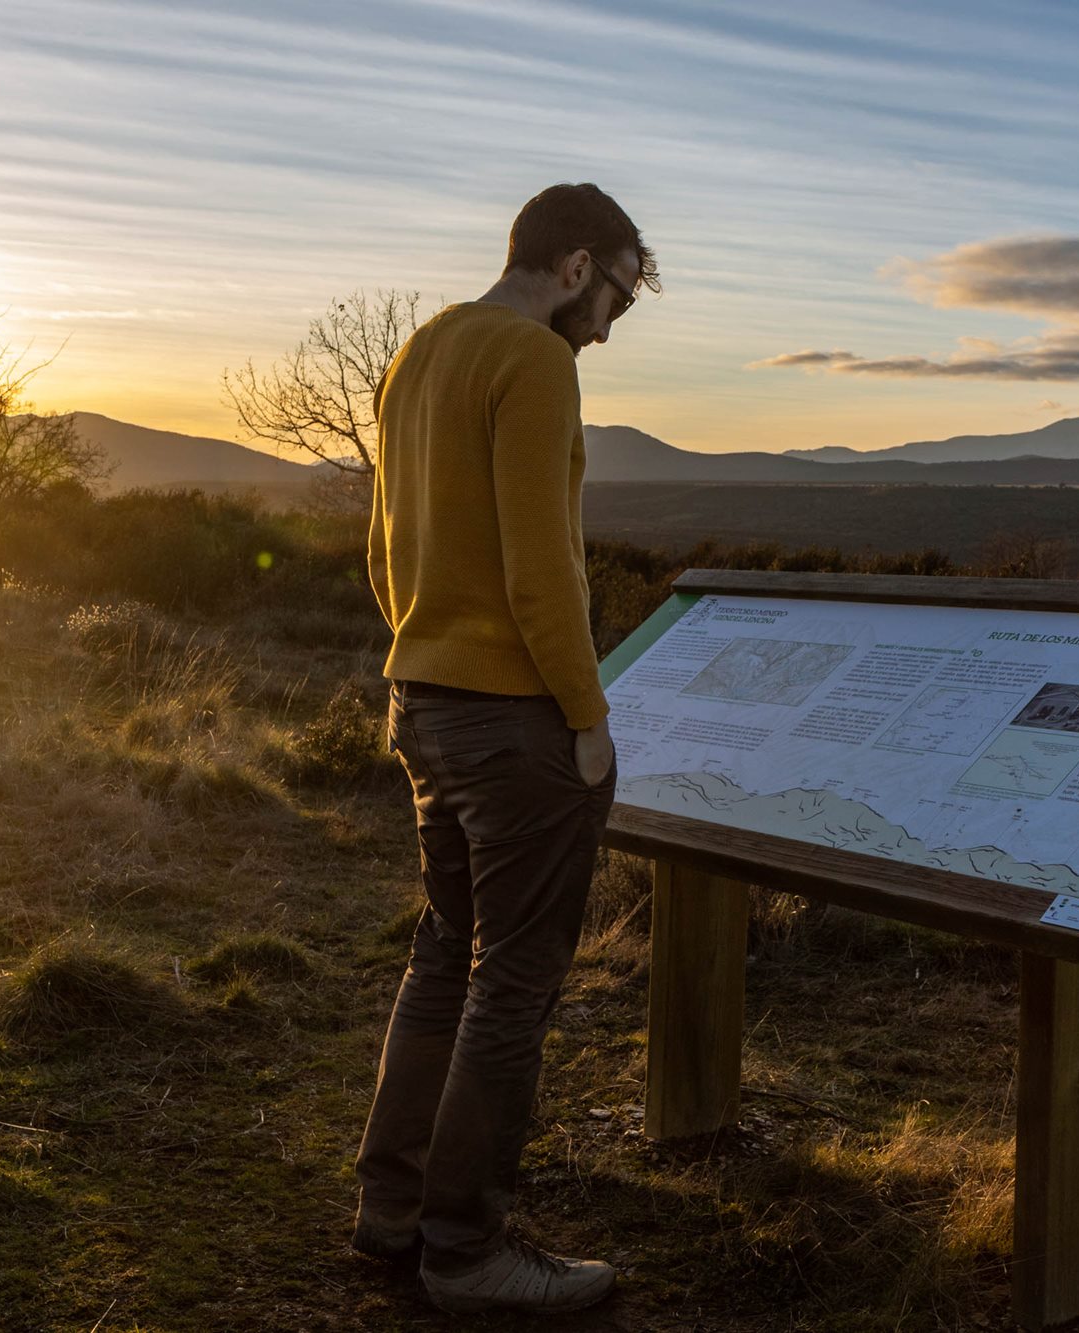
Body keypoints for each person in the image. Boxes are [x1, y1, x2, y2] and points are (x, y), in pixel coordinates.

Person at [351, 182, 657, 1314]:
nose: (609, 326)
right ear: (576, 267)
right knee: (513, 982)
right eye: (617, 295)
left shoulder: (421, 350)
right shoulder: (534, 359)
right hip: (513, 718)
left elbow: (384, 549)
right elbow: (544, 568)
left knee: (445, 956)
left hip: (422, 699)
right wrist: (586, 715)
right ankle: (467, 1249)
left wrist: (423, 646)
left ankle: (392, 1212)